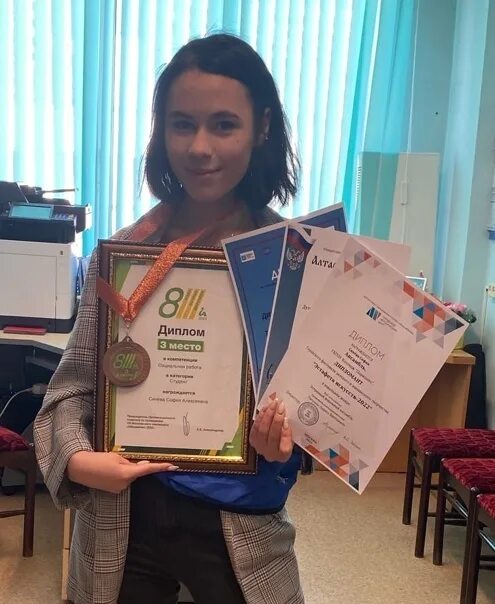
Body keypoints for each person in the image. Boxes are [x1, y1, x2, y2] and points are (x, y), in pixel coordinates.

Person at [34, 33, 309, 604]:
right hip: (124, 521)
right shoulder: (126, 257)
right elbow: (68, 394)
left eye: (224, 125)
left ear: (262, 127)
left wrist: (289, 435)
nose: (200, 147)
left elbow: (322, 412)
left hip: (243, 529)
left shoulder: (294, 261)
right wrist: (79, 461)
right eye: (183, 124)